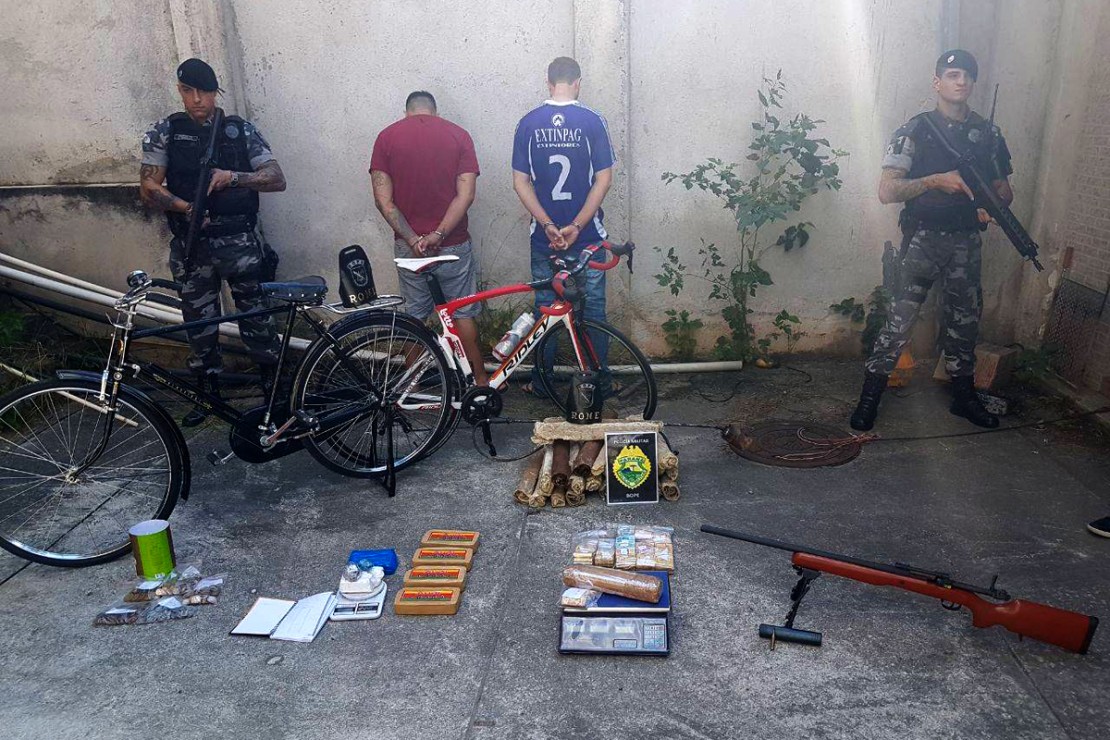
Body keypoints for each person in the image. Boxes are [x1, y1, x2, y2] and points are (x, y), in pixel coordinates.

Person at [851, 50, 1013, 432]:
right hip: (922, 239)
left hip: (965, 242)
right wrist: (935, 181)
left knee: (964, 321)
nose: (961, 81)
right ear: (937, 82)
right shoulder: (916, 131)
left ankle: (963, 397)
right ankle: (870, 396)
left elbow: (1004, 190)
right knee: (899, 320)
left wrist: (991, 203)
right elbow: (887, 191)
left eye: (967, 75)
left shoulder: (989, 135)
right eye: (952, 74)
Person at [139, 58, 286, 426]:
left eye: (203, 92)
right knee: (198, 324)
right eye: (188, 91)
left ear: (215, 92)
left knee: (257, 317)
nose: (196, 99)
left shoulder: (239, 131)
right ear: (179, 91)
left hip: (239, 241)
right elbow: (148, 187)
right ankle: (207, 396)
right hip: (192, 244)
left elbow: (275, 177)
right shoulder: (166, 131)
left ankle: (275, 392)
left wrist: (232, 177)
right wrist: (186, 208)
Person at [512, 56, 615, 395]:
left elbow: (520, 182)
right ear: (578, 82)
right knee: (594, 309)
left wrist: (547, 224)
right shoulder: (593, 121)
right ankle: (599, 383)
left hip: (545, 239)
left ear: (548, 82)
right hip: (588, 237)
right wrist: (576, 225)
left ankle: (542, 383)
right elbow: (604, 179)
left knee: (546, 308)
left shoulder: (528, 123)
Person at [370, 90, 487, 385]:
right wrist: (439, 233)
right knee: (462, 313)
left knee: (415, 316)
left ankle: (412, 384)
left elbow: (383, 201)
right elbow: (466, 195)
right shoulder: (459, 135)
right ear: (435, 111)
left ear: (407, 111)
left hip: (409, 247)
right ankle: (480, 381)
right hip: (453, 242)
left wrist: (413, 239)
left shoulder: (386, 137)